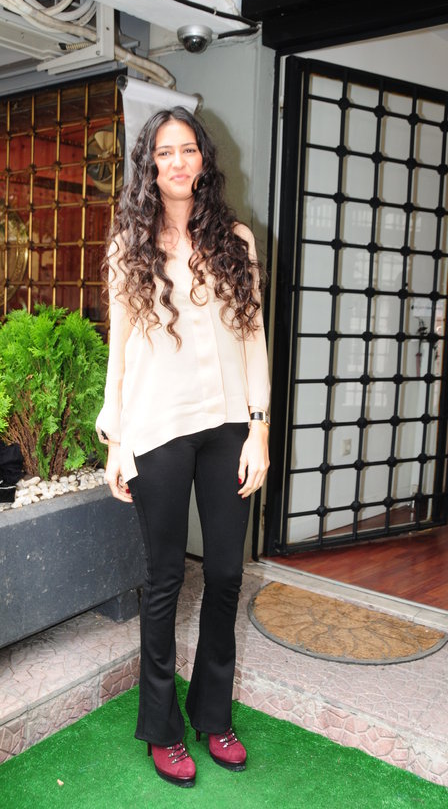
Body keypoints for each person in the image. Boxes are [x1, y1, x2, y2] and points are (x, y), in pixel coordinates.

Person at [96, 106, 270, 788]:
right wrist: (116, 439)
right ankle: (162, 729)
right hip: (157, 428)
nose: (177, 161)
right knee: (165, 579)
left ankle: (213, 715)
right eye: (164, 151)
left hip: (227, 426)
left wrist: (259, 430)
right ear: (150, 164)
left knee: (225, 573)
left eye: (188, 149)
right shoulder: (128, 248)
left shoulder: (236, 241)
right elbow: (120, 351)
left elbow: (253, 340)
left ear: (203, 160)